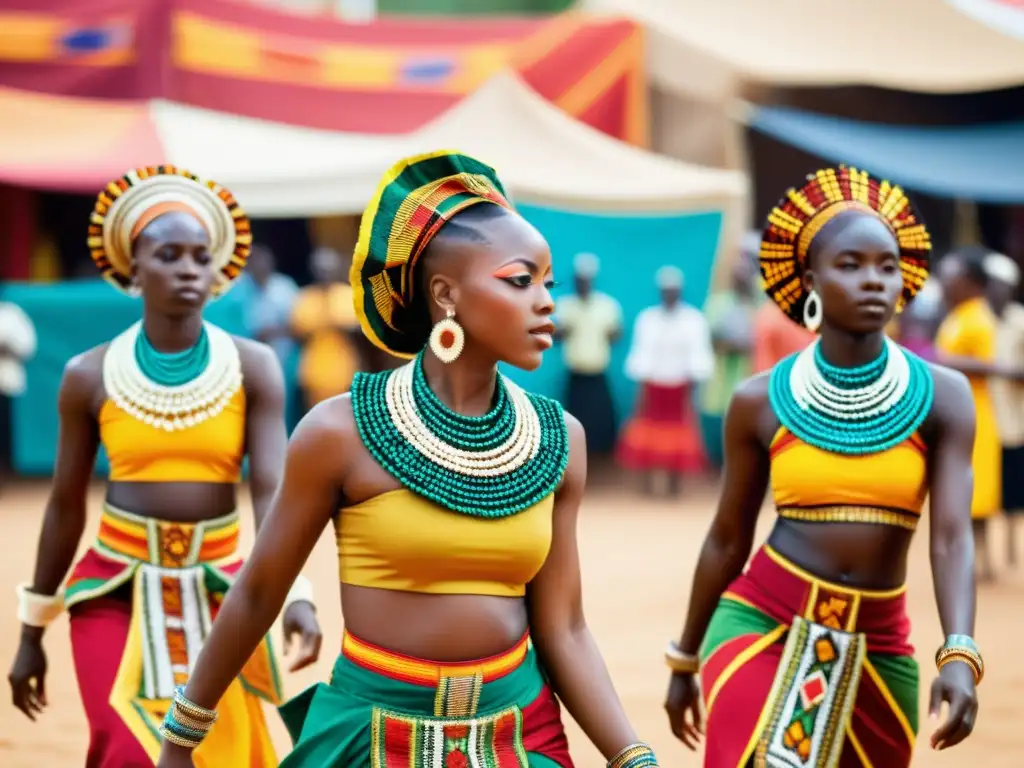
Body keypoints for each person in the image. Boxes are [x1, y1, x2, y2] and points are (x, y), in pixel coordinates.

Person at [155, 151, 660, 768]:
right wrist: (181, 737)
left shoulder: (561, 439)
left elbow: (565, 628)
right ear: (445, 294)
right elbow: (261, 590)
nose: (544, 302)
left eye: (547, 284)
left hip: (519, 739)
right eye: (520, 280)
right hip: (367, 738)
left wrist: (632, 756)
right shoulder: (340, 432)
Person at [664, 167, 981, 766]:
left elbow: (951, 535)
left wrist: (960, 650)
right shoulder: (759, 401)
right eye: (850, 265)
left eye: (887, 266)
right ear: (810, 279)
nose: (873, 281)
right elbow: (727, 538)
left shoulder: (944, 396)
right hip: (762, 623)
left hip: (880, 646)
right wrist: (684, 656)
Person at [7, 166, 322, 768]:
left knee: (221, 755)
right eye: (168, 254)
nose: (188, 269)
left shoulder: (253, 368)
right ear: (132, 268)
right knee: (128, 751)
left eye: (202, 257)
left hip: (222, 594)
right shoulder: (87, 375)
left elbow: (274, 492)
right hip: (114, 589)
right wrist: (31, 630)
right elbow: (65, 506)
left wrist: (293, 595)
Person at [935, 245, 1003, 582]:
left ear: (971, 282)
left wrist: (944, 364)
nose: (945, 282)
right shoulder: (957, 315)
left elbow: (990, 364)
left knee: (975, 487)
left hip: (975, 411)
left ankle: (981, 560)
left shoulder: (979, 318)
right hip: (956, 410)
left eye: (952, 275)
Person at [617, 265, 713, 496]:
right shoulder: (648, 319)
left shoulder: (693, 320)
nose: (669, 294)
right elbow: (641, 356)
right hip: (653, 387)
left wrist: (693, 394)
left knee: (679, 438)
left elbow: (698, 358)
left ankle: (674, 488)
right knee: (647, 436)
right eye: (665, 291)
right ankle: (647, 487)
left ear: (680, 292)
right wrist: (642, 392)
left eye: (674, 290)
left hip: (681, 388)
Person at [554, 252, 623, 461]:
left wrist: (613, 332)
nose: (582, 283)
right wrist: (561, 331)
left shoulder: (607, 305)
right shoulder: (565, 305)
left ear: (592, 280)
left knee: (601, 425)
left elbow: (617, 335)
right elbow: (555, 337)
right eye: (579, 279)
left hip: (597, 374)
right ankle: (577, 466)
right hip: (575, 375)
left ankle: (600, 469)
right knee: (573, 425)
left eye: (586, 279)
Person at [982, 251, 1024, 565]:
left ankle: (1012, 547)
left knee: (1014, 488)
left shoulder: (1019, 321)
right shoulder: (976, 320)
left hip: (1013, 418)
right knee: (984, 490)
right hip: (984, 418)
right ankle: (985, 556)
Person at [699, 255, 757, 469]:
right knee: (718, 420)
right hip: (720, 372)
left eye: (745, 275)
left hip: (749, 371)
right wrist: (732, 345)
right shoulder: (718, 303)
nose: (741, 279)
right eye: (737, 275)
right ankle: (716, 468)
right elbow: (711, 337)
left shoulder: (758, 305)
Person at [290, 245, 362, 411]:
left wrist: (338, 325)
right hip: (313, 369)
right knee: (316, 414)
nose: (324, 274)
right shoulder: (305, 297)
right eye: (321, 269)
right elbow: (296, 332)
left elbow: (359, 330)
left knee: (345, 413)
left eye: (328, 269)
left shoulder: (346, 294)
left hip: (344, 367)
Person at [0, 298, 36, 489]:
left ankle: (5, 476)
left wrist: (7, 345)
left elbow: (28, 346)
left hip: (5, 384)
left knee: (4, 434)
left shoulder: (10, 313)